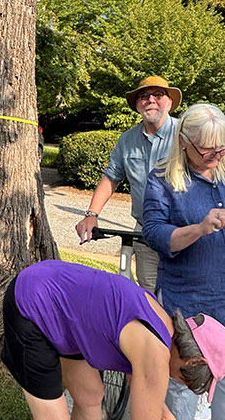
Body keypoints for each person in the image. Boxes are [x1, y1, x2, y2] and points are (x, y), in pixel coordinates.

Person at [1, 258, 225, 420]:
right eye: (192, 380)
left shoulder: (163, 326)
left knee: (90, 395)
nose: (185, 384)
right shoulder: (154, 355)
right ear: (194, 360)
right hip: (31, 303)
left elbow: (151, 402)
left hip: (61, 305)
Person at [143, 103, 225, 420]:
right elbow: (156, 235)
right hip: (188, 304)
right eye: (207, 149)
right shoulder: (162, 179)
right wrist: (200, 228)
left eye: (222, 148)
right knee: (184, 390)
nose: (215, 155)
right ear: (185, 142)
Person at [76, 75, 182, 293]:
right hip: (146, 232)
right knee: (150, 295)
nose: (151, 100)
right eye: (144, 96)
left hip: (184, 232)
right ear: (137, 104)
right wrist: (91, 214)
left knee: (185, 295)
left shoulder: (186, 134)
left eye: (158, 95)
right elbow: (111, 178)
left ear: (169, 102)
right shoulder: (127, 140)